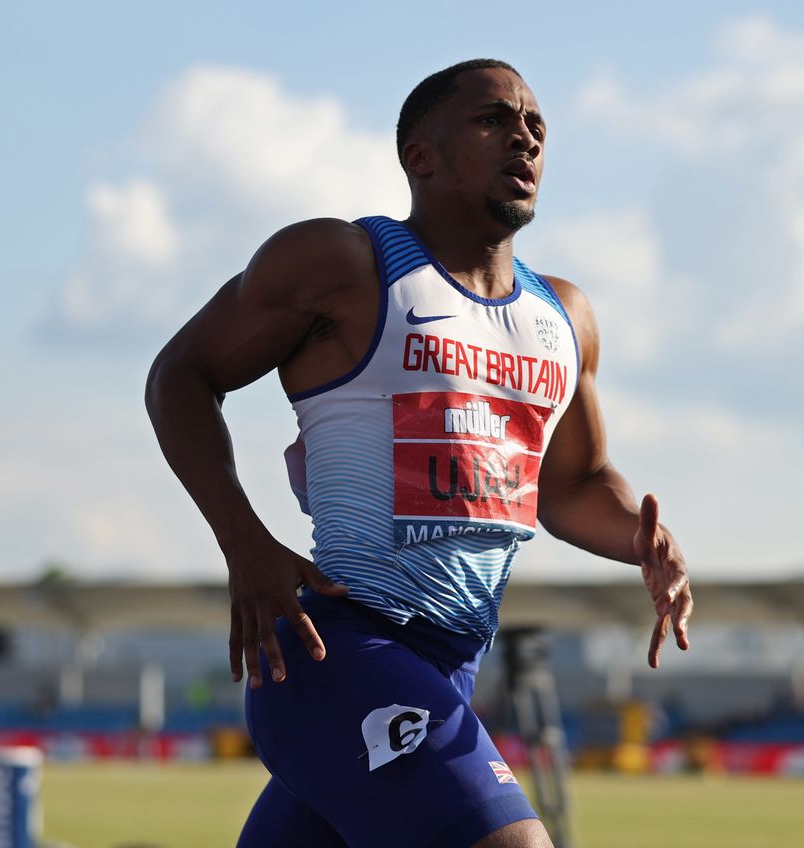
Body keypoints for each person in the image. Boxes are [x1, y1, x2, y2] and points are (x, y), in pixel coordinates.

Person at [145, 58, 693, 848]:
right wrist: (246, 544)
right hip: (338, 649)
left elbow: (571, 484)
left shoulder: (562, 316)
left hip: (450, 668)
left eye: (537, 125)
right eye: (493, 119)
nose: (525, 138)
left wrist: (643, 540)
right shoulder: (342, 266)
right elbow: (180, 377)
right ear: (422, 155)